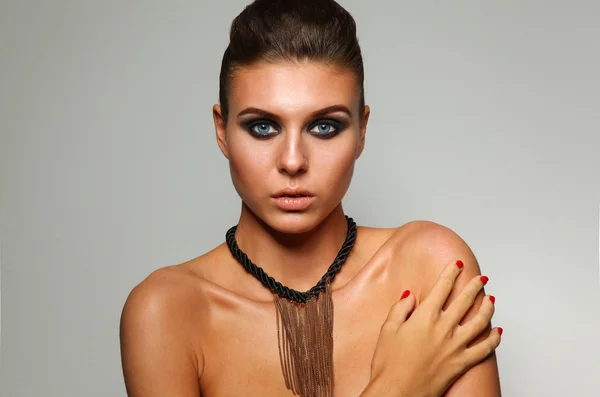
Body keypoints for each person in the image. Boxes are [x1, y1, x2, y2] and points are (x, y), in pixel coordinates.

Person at [119, 0, 502, 396]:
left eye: (324, 126)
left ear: (362, 131)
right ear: (222, 130)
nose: (293, 161)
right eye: (263, 127)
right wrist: (397, 387)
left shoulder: (429, 266)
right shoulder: (166, 311)